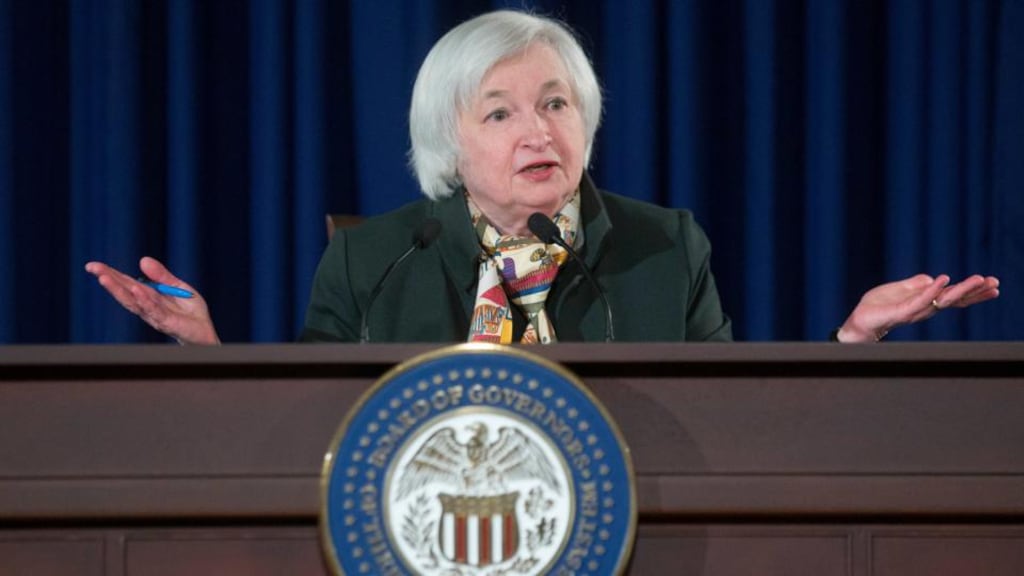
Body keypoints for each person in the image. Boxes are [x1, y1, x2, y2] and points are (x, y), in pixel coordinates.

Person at [84, 10, 999, 345]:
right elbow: (310, 434)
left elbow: (732, 419)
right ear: (450, 144)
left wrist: (852, 339)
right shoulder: (374, 260)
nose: (538, 131)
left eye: (557, 103)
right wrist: (205, 351)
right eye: (500, 113)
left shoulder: (663, 245)